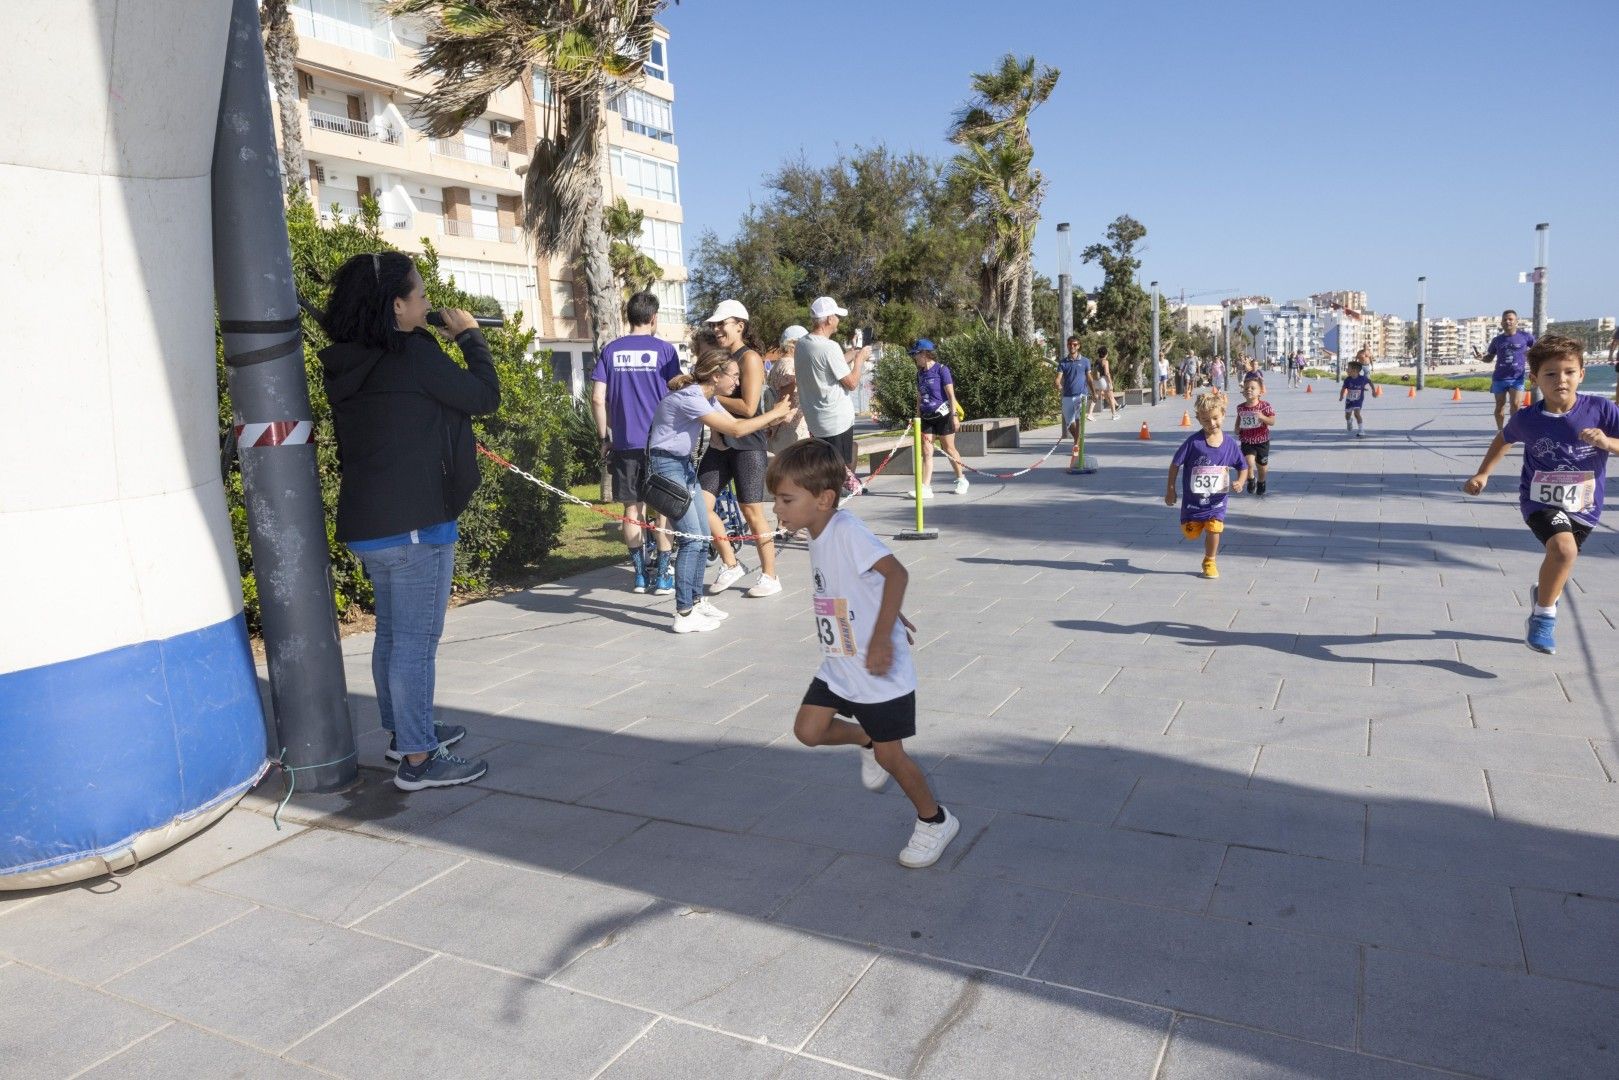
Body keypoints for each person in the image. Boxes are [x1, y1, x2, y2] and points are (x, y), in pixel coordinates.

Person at [318, 252, 498, 791]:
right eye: (419, 295)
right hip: (418, 524)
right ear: (397, 306)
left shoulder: (350, 361)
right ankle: (419, 759)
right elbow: (483, 397)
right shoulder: (415, 355)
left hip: (371, 525)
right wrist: (469, 337)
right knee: (415, 643)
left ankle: (404, 731)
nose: (426, 301)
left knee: (393, 636)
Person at [767, 438, 959, 868]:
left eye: (785, 499)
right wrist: (885, 611)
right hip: (839, 662)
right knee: (808, 731)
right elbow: (865, 584)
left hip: (877, 669)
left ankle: (935, 820)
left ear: (823, 498)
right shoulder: (816, 532)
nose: (776, 509)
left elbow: (896, 573)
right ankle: (865, 738)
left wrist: (879, 636)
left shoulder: (846, 530)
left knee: (894, 757)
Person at [1463, 335, 1619, 654]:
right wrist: (1483, 473)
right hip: (1539, 500)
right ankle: (1544, 617)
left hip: (1585, 505)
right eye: (1550, 373)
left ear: (1581, 374)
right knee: (1563, 551)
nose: (1561, 379)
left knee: (1562, 556)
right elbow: (1503, 439)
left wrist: (1607, 443)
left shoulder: (1601, 410)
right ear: (1534, 379)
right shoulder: (1528, 418)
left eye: (1569, 372)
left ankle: (1544, 595)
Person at [645, 349, 795, 633]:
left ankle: (696, 601)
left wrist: (777, 417)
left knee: (701, 537)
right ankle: (684, 613)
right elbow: (736, 429)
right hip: (667, 467)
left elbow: (744, 425)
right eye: (734, 376)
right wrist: (773, 413)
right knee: (691, 539)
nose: (738, 383)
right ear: (716, 375)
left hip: (682, 465)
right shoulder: (690, 398)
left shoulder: (707, 397)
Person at [591, 290, 680, 596]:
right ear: (653, 318)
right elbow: (677, 394)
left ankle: (640, 576)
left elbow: (597, 398)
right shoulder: (666, 352)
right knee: (662, 510)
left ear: (628, 317)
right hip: (660, 443)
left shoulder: (611, 351)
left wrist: (604, 438)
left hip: (625, 443)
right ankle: (663, 576)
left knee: (632, 510)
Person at [698, 300, 783, 598]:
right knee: (700, 504)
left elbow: (748, 407)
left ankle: (770, 576)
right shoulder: (718, 357)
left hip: (747, 443)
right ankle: (731, 563)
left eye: (723, 323)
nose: (717, 328)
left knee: (751, 510)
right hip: (720, 443)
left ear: (740, 326)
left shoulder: (750, 359)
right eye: (715, 324)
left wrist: (707, 395)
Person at [1166, 388, 1247, 580]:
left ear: (1223, 415)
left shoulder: (1229, 444)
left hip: (1217, 501)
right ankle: (1194, 524)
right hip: (1193, 501)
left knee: (1214, 528)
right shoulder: (1193, 443)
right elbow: (1175, 464)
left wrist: (1240, 481)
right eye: (1205, 420)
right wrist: (1170, 489)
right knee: (1191, 534)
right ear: (1198, 419)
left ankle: (1210, 561)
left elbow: (1242, 466)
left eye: (1215, 418)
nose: (1211, 424)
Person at [794, 296, 870, 473]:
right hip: (836, 420)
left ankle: (843, 490)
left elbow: (827, 367)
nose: (838, 321)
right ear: (829, 319)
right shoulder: (830, 346)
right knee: (837, 468)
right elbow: (851, 383)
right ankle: (842, 493)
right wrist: (859, 360)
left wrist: (852, 353)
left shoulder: (803, 344)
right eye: (836, 316)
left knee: (824, 465)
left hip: (816, 420)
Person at [909, 339, 968, 498]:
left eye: (916, 355)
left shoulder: (942, 370)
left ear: (924, 354)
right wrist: (917, 417)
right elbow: (920, 397)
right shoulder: (919, 373)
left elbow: (950, 395)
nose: (915, 358)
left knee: (949, 449)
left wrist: (954, 416)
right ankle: (925, 487)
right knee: (927, 451)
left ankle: (961, 479)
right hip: (926, 417)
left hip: (943, 416)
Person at [1483, 309, 1536, 432]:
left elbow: (1537, 349)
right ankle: (1501, 432)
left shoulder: (1525, 337)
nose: (1508, 321)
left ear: (1516, 321)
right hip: (1499, 378)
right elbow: (1489, 358)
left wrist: (1534, 362)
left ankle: (1513, 430)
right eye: (1505, 319)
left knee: (1516, 406)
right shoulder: (1497, 340)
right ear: (1501, 323)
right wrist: (1481, 358)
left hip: (1517, 378)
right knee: (1499, 407)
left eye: (1510, 319)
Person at [1235, 378, 1277, 496]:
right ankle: (1251, 479)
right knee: (1248, 461)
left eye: (1253, 388)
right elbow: (1239, 420)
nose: (1249, 390)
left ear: (1260, 392)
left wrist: (1262, 417)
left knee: (1262, 466)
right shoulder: (1241, 407)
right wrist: (1237, 429)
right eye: (1246, 388)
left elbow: (1272, 421)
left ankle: (1261, 482)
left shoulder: (1265, 406)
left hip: (1262, 441)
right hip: (1247, 440)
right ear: (1243, 391)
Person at [1056, 336, 1091, 443]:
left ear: (1078, 346)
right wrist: (1057, 384)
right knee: (1069, 422)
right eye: (1070, 344)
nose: (1072, 346)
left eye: (1075, 344)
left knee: (1078, 419)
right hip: (1067, 396)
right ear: (1067, 345)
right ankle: (1079, 440)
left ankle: (1077, 444)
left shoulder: (1085, 361)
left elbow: (1089, 378)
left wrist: (1094, 392)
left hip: (1081, 395)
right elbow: (1058, 378)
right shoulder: (1063, 362)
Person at [1340, 360, 1373, 437]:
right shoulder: (1347, 379)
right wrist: (1341, 396)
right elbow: (1343, 388)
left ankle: (1361, 430)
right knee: (1347, 415)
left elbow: (1370, 382)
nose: (1346, 370)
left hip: (1358, 400)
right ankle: (1349, 421)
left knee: (1357, 413)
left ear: (1355, 370)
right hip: (1349, 400)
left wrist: (1373, 391)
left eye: (1348, 368)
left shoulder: (1362, 378)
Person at [1090, 346, 1121, 419]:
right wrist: (1110, 383)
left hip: (1096, 381)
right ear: (1106, 354)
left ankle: (1090, 414)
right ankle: (1114, 415)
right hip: (1103, 381)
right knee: (1110, 396)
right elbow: (1107, 373)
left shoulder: (1096, 361)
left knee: (1095, 397)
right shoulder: (1105, 361)